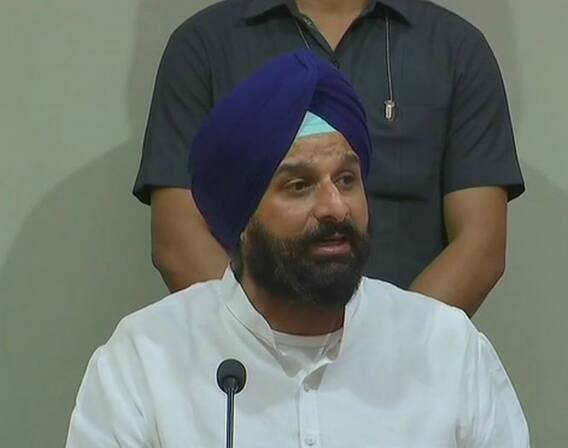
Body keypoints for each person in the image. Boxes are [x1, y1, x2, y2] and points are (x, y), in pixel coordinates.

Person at [69, 51, 529, 447]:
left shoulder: (447, 348)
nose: (334, 207)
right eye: (299, 186)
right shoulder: (146, 359)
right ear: (241, 217)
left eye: (346, 180)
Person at [133, 0, 525, 316]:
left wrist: (392, 351)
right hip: (246, 368)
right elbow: (177, 240)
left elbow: (481, 244)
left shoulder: (456, 49)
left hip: (411, 369)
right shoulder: (203, 45)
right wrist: (264, 347)